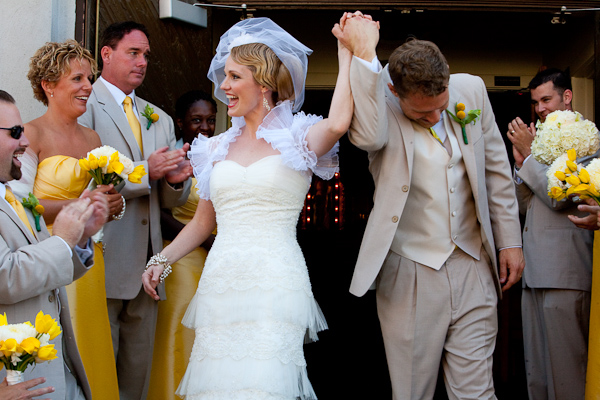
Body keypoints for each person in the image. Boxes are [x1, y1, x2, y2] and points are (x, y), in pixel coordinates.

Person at [143, 16, 352, 399]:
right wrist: (162, 259)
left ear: (265, 82)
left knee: (264, 384)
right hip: (221, 282)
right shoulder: (215, 147)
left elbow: (338, 123)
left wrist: (348, 52)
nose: (224, 86)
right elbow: (203, 222)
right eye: (225, 76)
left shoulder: (298, 138)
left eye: (235, 77)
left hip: (274, 282)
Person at [332, 12, 524, 399]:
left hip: (473, 263)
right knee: (413, 392)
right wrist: (364, 51)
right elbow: (368, 137)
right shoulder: (377, 104)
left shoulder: (470, 91)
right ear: (395, 90)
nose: (436, 117)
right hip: (411, 270)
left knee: (476, 392)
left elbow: (496, 173)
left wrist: (509, 242)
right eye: (423, 112)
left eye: (441, 106)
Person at [78, 21, 192, 399]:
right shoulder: (84, 106)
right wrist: (147, 171)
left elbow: (169, 201)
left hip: (149, 262)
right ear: (106, 54)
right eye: (133, 53)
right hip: (104, 257)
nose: (143, 62)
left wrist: (175, 180)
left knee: (136, 372)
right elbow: (85, 183)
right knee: (100, 370)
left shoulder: (156, 115)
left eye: (146, 55)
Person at [12, 39, 121, 400]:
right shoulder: (30, 134)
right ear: (48, 85)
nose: (88, 87)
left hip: (89, 260)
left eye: (89, 79)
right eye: (77, 79)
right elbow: (21, 204)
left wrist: (110, 205)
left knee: (92, 344)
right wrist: (80, 202)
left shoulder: (92, 137)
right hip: (50, 255)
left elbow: (97, 204)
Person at [0, 89, 109, 399]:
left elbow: (43, 266)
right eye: (15, 132)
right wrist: (61, 240)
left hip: (53, 371)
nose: (24, 142)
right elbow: (5, 276)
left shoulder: (11, 198)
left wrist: (79, 237)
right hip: (15, 381)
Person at [507, 68, 593, 400]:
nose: (540, 108)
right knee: (538, 374)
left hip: (566, 271)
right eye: (535, 102)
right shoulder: (538, 139)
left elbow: (564, 197)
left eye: (546, 99)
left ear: (566, 96)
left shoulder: (585, 137)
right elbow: (527, 207)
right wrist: (520, 165)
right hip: (535, 271)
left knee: (568, 373)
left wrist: (529, 157)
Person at [148, 90, 217, 400]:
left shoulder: (220, 155)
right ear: (180, 123)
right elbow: (158, 214)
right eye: (196, 121)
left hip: (216, 262)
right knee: (181, 332)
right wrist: (203, 239)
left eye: (211, 121)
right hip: (181, 259)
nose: (204, 127)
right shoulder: (173, 157)